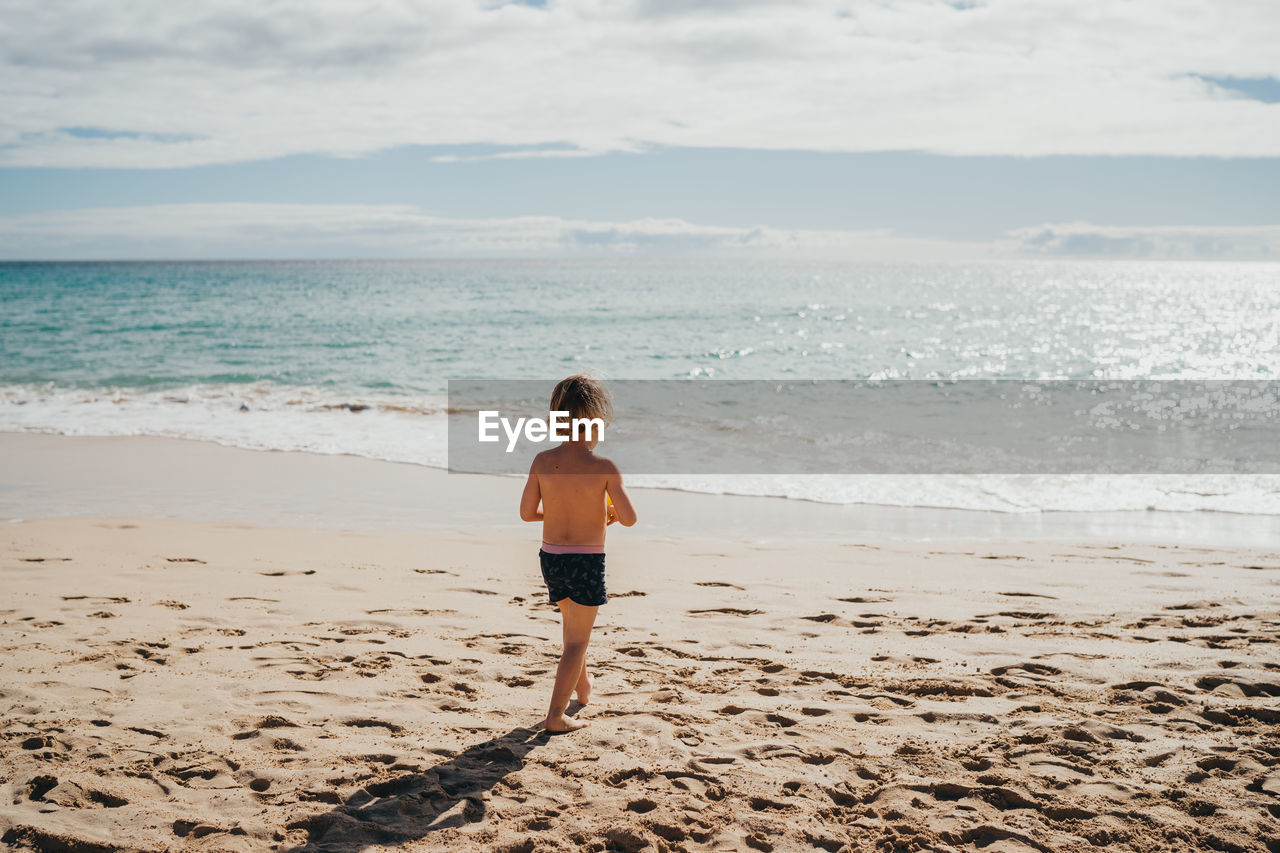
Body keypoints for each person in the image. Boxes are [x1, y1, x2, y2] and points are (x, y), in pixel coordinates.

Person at [519, 375, 637, 732]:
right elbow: (629, 519)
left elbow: (527, 513)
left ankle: (582, 687)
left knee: (571, 626)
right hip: (586, 561)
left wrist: (557, 514)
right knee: (576, 640)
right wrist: (607, 515)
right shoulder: (603, 468)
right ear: (597, 422)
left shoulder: (542, 461)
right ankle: (555, 716)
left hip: (551, 558)